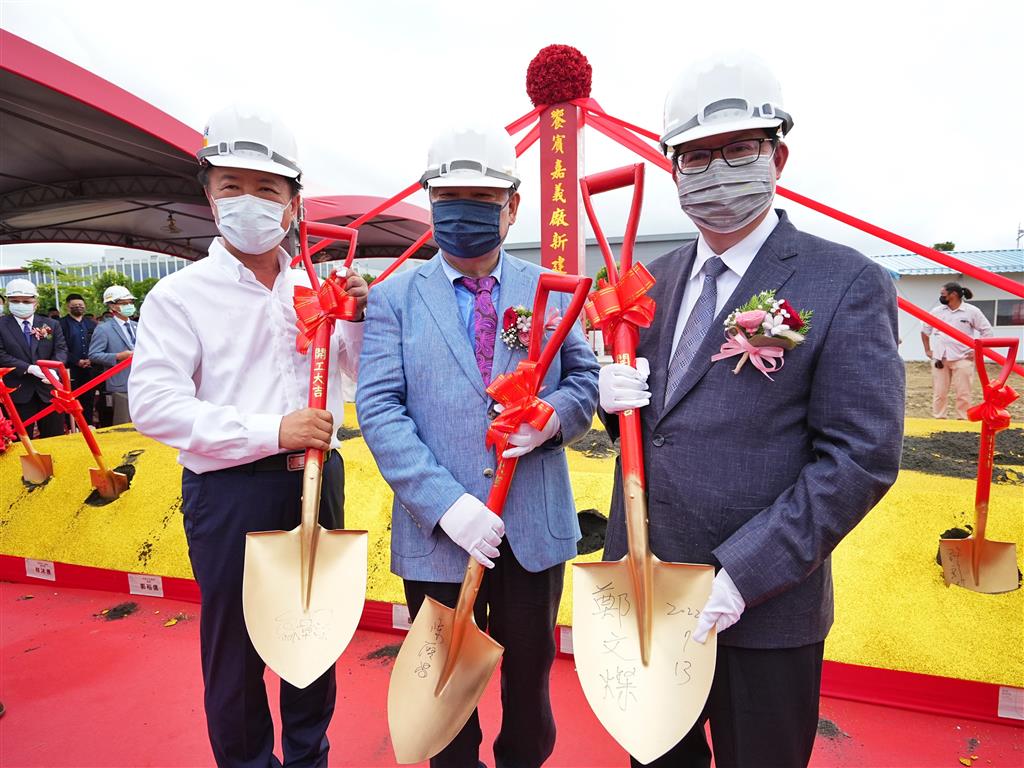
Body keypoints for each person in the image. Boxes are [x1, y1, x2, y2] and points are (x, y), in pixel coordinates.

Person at [598, 53, 905, 768]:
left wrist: (743, 574)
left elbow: (860, 457)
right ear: (675, 171)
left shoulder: (844, 282)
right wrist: (614, 408)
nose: (716, 171)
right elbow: (656, 432)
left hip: (766, 606)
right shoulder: (650, 283)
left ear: (778, 157)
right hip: (649, 590)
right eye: (696, 156)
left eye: (739, 149)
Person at [128, 104, 368, 768]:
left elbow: (357, 373)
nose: (249, 202)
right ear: (209, 197)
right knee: (235, 654)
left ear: (294, 204)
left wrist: (357, 318)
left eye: (267, 189)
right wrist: (272, 430)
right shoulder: (180, 296)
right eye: (231, 186)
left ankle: (309, 758)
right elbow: (154, 405)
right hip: (232, 492)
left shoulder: (316, 287)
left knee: (311, 640)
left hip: (317, 484)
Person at [357, 124, 599, 768]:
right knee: (445, 693)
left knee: (529, 684)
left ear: (512, 206)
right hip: (439, 535)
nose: (463, 212)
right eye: (449, 199)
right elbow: (379, 408)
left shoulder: (551, 287)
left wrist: (551, 420)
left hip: (531, 529)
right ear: (431, 203)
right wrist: (446, 505)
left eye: (483, 200)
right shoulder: (394, 297)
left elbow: (584, 379)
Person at [0, 278, 68, 438]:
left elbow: (61, 349)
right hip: (17, 391)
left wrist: (53, 369)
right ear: (8, 302)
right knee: (20, 440)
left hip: (49, 391)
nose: (21, 304)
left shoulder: (51, 324)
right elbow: (1, 354)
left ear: (35, 302)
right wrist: (29, 368)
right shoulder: (2, 325)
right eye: (15, 301)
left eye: (26, 301)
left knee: (54, 437)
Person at [921, 282, 993, 419]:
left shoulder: (972, 311)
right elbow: (925, 330)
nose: (941, 297)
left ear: (953, 294)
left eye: (943, 294)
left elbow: (987, 332)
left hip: (963, 358)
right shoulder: (937, 311)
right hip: (940, 358)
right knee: (939, 392)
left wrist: (978, 351)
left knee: (963, 393)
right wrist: (927, 350)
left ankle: (962, 419)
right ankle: (939, 418)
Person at [88, 286, 138, 425]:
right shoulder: (104, 329)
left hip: (141, 382)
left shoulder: (138, 326)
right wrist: (118, 356)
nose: (129, 306)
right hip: (120, 385)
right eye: (124, 303)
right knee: (124, 424)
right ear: (112, 306)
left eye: (130, 302)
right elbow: (94, 355)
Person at [59, 293, 98, 427]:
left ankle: (88, 425)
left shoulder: (92, 324)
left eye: (80, 305)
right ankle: (72, 427)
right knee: (72, 398)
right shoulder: (61, 324)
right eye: (74, 305)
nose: (78, 307)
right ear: (68, 307)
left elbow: (97, 343)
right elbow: (60, 347)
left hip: (90, 367)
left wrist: (91, 359)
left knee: (89, 398)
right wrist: (76, 361)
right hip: (70, 369)